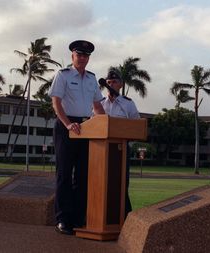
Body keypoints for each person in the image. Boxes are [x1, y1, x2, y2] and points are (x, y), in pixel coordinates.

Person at [49, 40, 105, 235]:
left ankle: (78, 218)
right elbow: (56, 103)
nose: (82, 58)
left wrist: (106, 125)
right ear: (72, 56)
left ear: (89, 58)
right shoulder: (62, 75)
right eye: (79, 55)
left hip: (86, 128)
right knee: (64, 174)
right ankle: (63, 219)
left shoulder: (91, 79)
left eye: (85, 56)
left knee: (83, 176)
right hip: (66, 126)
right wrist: (68, 124)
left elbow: (98, 107)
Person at [100, 70, 140, 216]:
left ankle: (123, 216)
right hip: (101, 151)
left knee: (121, 184)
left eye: (114, 82)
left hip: (121, 150)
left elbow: (137, 127)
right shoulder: (99, 104)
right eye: (108, 82)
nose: (111, 85)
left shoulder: (127, 104)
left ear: (121, 85)